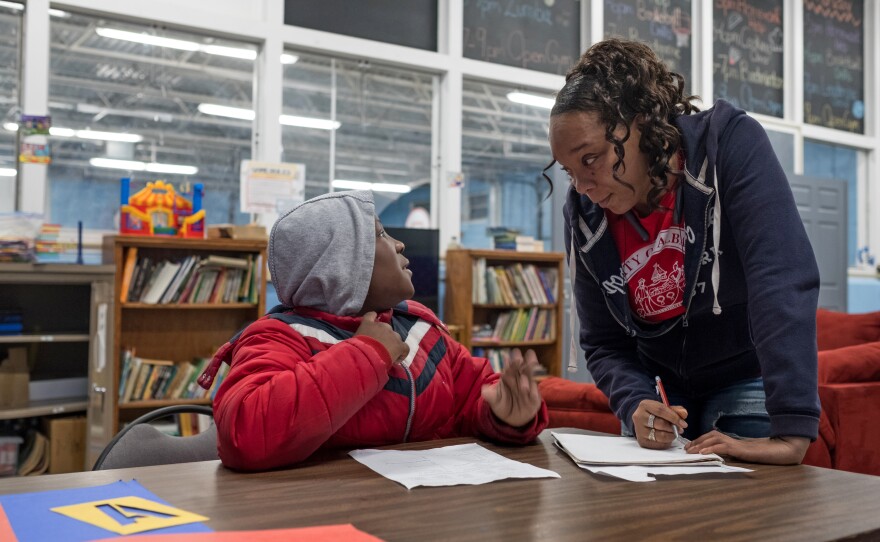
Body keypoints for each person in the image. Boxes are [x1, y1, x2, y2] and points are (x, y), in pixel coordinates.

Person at [546, 38, 820, 465]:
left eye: (591, 159)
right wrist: (634, 402)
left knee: (755, 519)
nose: (582, 186)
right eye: (569, 170)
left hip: (747, 382)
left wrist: (792, 425)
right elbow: (602, 341)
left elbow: (781, 277)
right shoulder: (585, 212)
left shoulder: (728, 144)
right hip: (662, 396)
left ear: (639, 123)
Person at [198, 190, 547, 471]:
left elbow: (472, 397)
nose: (399, 244)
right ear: (340, 264)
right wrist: (368, 354)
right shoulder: (280, 337)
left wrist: (503, 415)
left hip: (419, 513)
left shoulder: (421, 330)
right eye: (380, 233)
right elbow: (244, 434)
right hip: (324, 518)